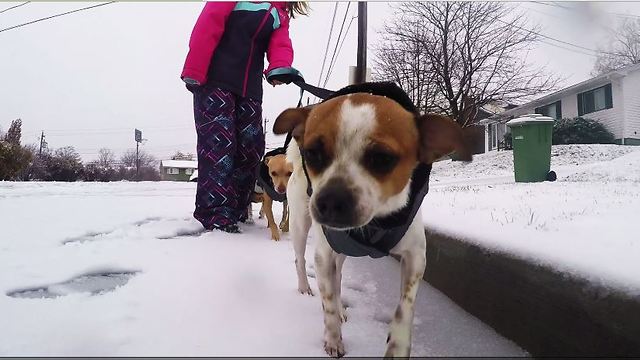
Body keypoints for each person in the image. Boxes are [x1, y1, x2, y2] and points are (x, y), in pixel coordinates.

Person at [181, 2, 309, 234]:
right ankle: (216, 215)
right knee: (220, 147)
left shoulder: (279, 12)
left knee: (251, 148)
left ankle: (238, 209)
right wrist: (194, 69)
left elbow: (280, 44)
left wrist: (280, 66)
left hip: (249, 89)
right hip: (214, 81)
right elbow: (208, 24)